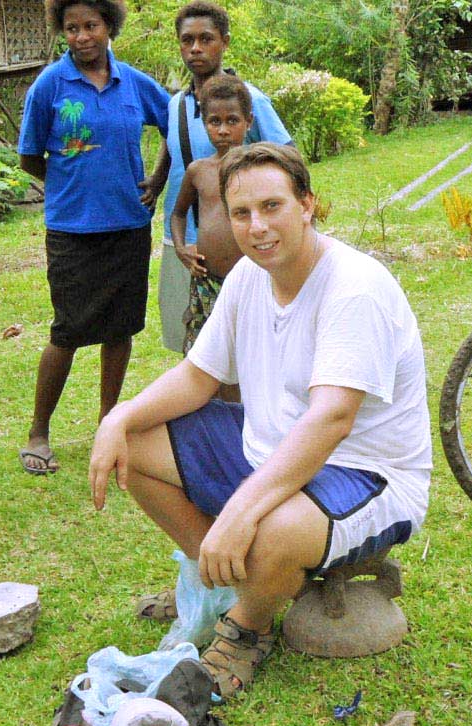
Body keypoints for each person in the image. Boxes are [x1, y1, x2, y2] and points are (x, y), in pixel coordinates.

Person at [90, 144, 432, 697]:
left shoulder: (354, 288)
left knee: (271, 527)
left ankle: (246, 628)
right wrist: (118, 419)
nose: (257, 227)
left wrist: (242, 512)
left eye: (272, 206)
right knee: (136, 444)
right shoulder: (249, 277)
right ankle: (239, 588)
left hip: (366, 472)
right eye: (241, 213)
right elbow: (198, 377)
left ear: (308, 205)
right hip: (270, 449)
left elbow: (331, 420)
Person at [16, 0, 170, 476]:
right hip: (73, 229)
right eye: (72, 28)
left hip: (128, 224)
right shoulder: (50, 85)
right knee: (67, 331)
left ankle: (109, 421)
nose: (82, 36)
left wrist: (158, 180)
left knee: (120, 328)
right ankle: (39, 431)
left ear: (109, 27)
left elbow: (177, 125)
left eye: (91, 26)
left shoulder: (135, 84)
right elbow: (29, 156)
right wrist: (70, 185)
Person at [152, 0, 292, 354]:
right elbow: (173, 143)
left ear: (224, 42)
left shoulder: (248, 100)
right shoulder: (176, 104)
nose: (196, 48)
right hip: (184, 245)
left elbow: (289, 157)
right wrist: (156, 179)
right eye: (187, 40)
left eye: (206, 39)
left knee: (251, 342)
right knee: (191, 340)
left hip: (243, 246)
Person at [168, 74, 249, 362]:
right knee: (205, 357)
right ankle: (213, 407)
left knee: (248, 353)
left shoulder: (260, 168)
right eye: (215, 122)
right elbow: (178, 214)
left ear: (248, 122)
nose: (224, 130)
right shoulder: (198, 171)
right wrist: (181, 248)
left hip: (252, 280)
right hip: (206, 281)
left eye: (232, 121)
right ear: (205, 124)